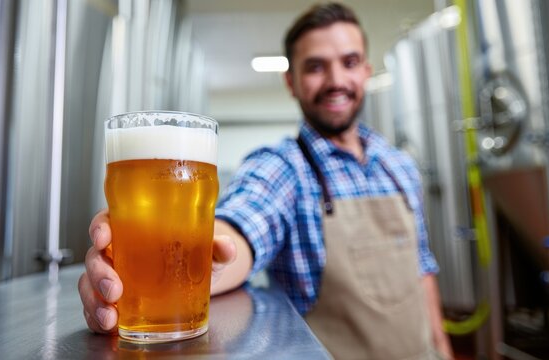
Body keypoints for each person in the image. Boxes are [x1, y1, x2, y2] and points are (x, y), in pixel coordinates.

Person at [79, 3, 454, 359]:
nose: (336, 80)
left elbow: (422, 271)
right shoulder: (282, 167)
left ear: (367, 72)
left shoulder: (399, 164)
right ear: (290, 81)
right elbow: (235, 235)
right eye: (316, 67)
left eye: (350, 62)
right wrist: (186, 264)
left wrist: (442, 346)